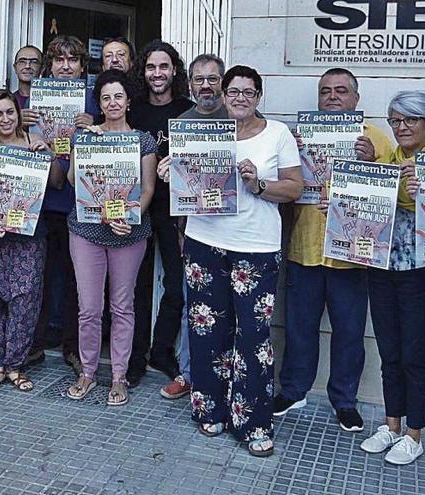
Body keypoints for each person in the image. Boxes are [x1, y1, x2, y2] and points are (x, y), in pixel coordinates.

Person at [159, 65, 302, 456]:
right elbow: (185, 185)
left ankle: (254, 422)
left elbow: (294, 188)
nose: (240, 98)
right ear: (222, 95)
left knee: (254, 337)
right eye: (233, 91)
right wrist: (170, 171)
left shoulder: (277, 134)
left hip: (256, 247)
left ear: (259, 96)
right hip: (205, 240)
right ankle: (211, 409)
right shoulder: (203, 134)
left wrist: (259, 183)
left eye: (248, 92)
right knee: (206, 333)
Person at [274, 68, 394, 432]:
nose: (332, 97)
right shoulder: (297, 136)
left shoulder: (375, 139)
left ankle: (344, 401)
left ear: (356, 99)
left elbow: (392, 198)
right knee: (298, 328)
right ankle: (293, 390)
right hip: (305, 247)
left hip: (351, 256)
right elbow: (282, 185)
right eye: (325, 91)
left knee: (349, 332)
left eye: (341, 91)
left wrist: (372, 163)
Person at [358, 90, 425, 465]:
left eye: (410, 119)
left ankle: (415, 432)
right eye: (396, 120)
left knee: (415, 352)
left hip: (424, 273)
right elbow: (365, 209)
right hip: (383, 268)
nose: (402, 127)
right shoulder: (386, 161)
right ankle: (391, 424)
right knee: (389, 350)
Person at [65, 69, 158, 406]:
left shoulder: (144, 141)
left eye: (118, 96)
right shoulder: (85, 137)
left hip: (128, 234)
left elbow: (148, 189)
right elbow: (75, 181)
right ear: (99, 104)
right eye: (106, 98)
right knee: (89, 308)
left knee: (123, 307)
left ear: (128, 101)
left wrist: (129, 219)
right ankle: (87, 372)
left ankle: (118, 376)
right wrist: (85, 144)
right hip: (87, 230)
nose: (113, 102)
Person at [0, 90, 63, 393]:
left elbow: (58, 182)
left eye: (10, 112)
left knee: (25, 303)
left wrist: (47, 153)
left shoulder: (32, 145)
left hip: (28, 240)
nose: (5, 119)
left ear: (18, 115)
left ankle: (15, 365)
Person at [158, 52, 229, 399]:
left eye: (212, 79)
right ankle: (188, 374)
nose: (205, 85)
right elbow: (183, 186)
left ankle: (229, 378)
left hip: (236, 232)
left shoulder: (242, 119)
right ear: (190, 84)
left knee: (232, 310)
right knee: (193, 308)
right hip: (197, 231)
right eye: (199, 79)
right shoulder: (182, 123)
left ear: (223, 83)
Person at [127, 41, 194, 388]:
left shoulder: (189, 110)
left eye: (163, 67)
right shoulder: (132, 110)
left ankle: (162, 350)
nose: (157, 74)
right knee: (134, 286)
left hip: (175, 210)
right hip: (134, 207)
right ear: (143, 72)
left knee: (176, 283)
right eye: (151, 67)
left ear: (174, 71)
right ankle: (134, 358)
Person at [25, 36, 93, 372]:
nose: (66, 66)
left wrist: (93, 128)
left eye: (73, 60)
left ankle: (72, 346)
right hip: (38, 202)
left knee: (74, 279)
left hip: (79, 204)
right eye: (59, 60)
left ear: (82, 66)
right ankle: (34, 341)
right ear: (49, 66)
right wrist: (23, 125)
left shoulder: (93, 100)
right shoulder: (32, 102)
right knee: (35, 275)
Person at [12, 45, 42, 112]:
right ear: (15, 68)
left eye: (34, 62)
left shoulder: (50, 100)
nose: (27, 66)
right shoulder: (7, 101)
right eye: (22, 61)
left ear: (42, 68)